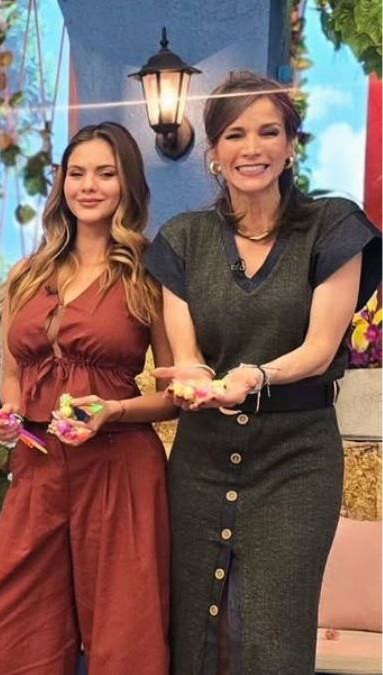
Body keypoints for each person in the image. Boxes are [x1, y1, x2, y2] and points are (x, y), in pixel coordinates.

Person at [145, 71, 381, 675]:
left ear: (291, 143)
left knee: (275, 633)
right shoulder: (183, 239)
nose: (252, 148)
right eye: (235, 134)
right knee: (194, 629)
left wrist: (253, 375)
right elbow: (187, 353)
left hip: (296, 457)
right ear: (214, 151)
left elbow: (320, 347)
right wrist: (195, 379)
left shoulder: (333, 226)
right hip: (201, 458)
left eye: (269, 132)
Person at [0, 122, 175, 675]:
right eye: (77, 173)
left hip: (121, 470)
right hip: (39, 468)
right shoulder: (27, 274)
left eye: (105, 173)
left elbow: (173, 397)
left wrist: (114, 410)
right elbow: (12, 373)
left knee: (126, 643)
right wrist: (8, 413)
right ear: (61, 184)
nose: (88, 186)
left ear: (127, 184)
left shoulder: (150, 273)